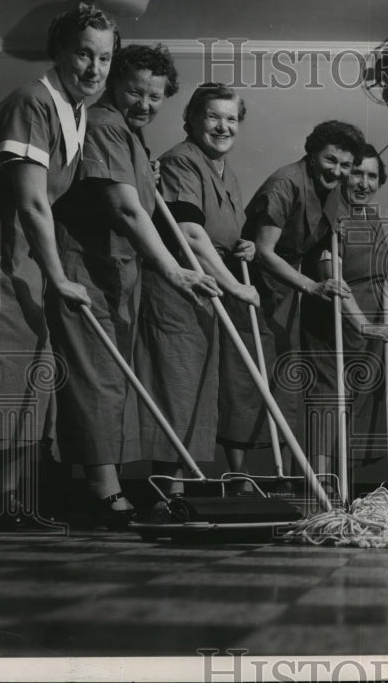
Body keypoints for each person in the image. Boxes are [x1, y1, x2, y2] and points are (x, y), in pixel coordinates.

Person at [0, 4, 117, 527]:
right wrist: (59, 277)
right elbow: (33, 202)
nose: (94, 68)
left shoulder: (75, 114)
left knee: (32, 357)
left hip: (11, 242)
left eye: (105, 58)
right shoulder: (32, 102)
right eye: (84, 53)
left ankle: (12, 501)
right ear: (58, 51)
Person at [45, 45, 220, 526]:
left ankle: (110, 486)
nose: (145, 103)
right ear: (113, 84)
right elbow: (124, 210)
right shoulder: (104, 124)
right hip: (85, 269)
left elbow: (138, 200)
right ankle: (103, 493)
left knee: (112, 379)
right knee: (97, 379)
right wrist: (174, 270)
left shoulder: (130, 137)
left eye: (156, 95)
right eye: (134, 91)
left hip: (115, 275)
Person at [134, 83, 260, 493]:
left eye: (231, 119)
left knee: (198, 389)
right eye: (212, 116)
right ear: (190, 119)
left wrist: (243, 245)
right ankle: (169, 494)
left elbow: (217, 230)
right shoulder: (180, 162)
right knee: (176, 385)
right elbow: (188, 233)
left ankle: (185, 490)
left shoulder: (227, 174)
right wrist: (236, 289)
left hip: (206, 291)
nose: (223, 127)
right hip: (177, 291)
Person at [220, 121, 360, 488]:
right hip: (251, 285)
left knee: (282, 380)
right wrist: (312, 286)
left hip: (286, 292)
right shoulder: (286, 183)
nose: (337, 171)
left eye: (346, 165)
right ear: (312, 155)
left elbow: (322, 245)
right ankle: (239, 475)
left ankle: (282, 473)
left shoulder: (333, 190)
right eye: (330, 160)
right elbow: (264, 252)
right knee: (246, 377)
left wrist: (329, 279)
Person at [300, 145, 388, 484]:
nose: (364, 183)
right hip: (334, 325)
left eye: (372, 175)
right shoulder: (330, 215)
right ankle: (320, 490)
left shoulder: (370, 216)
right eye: (357, 173)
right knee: (327, 404)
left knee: (355, 407)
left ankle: (345, 490)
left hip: (368, 332)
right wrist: (364, 324)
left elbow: (383, 271)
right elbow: (333, 277)